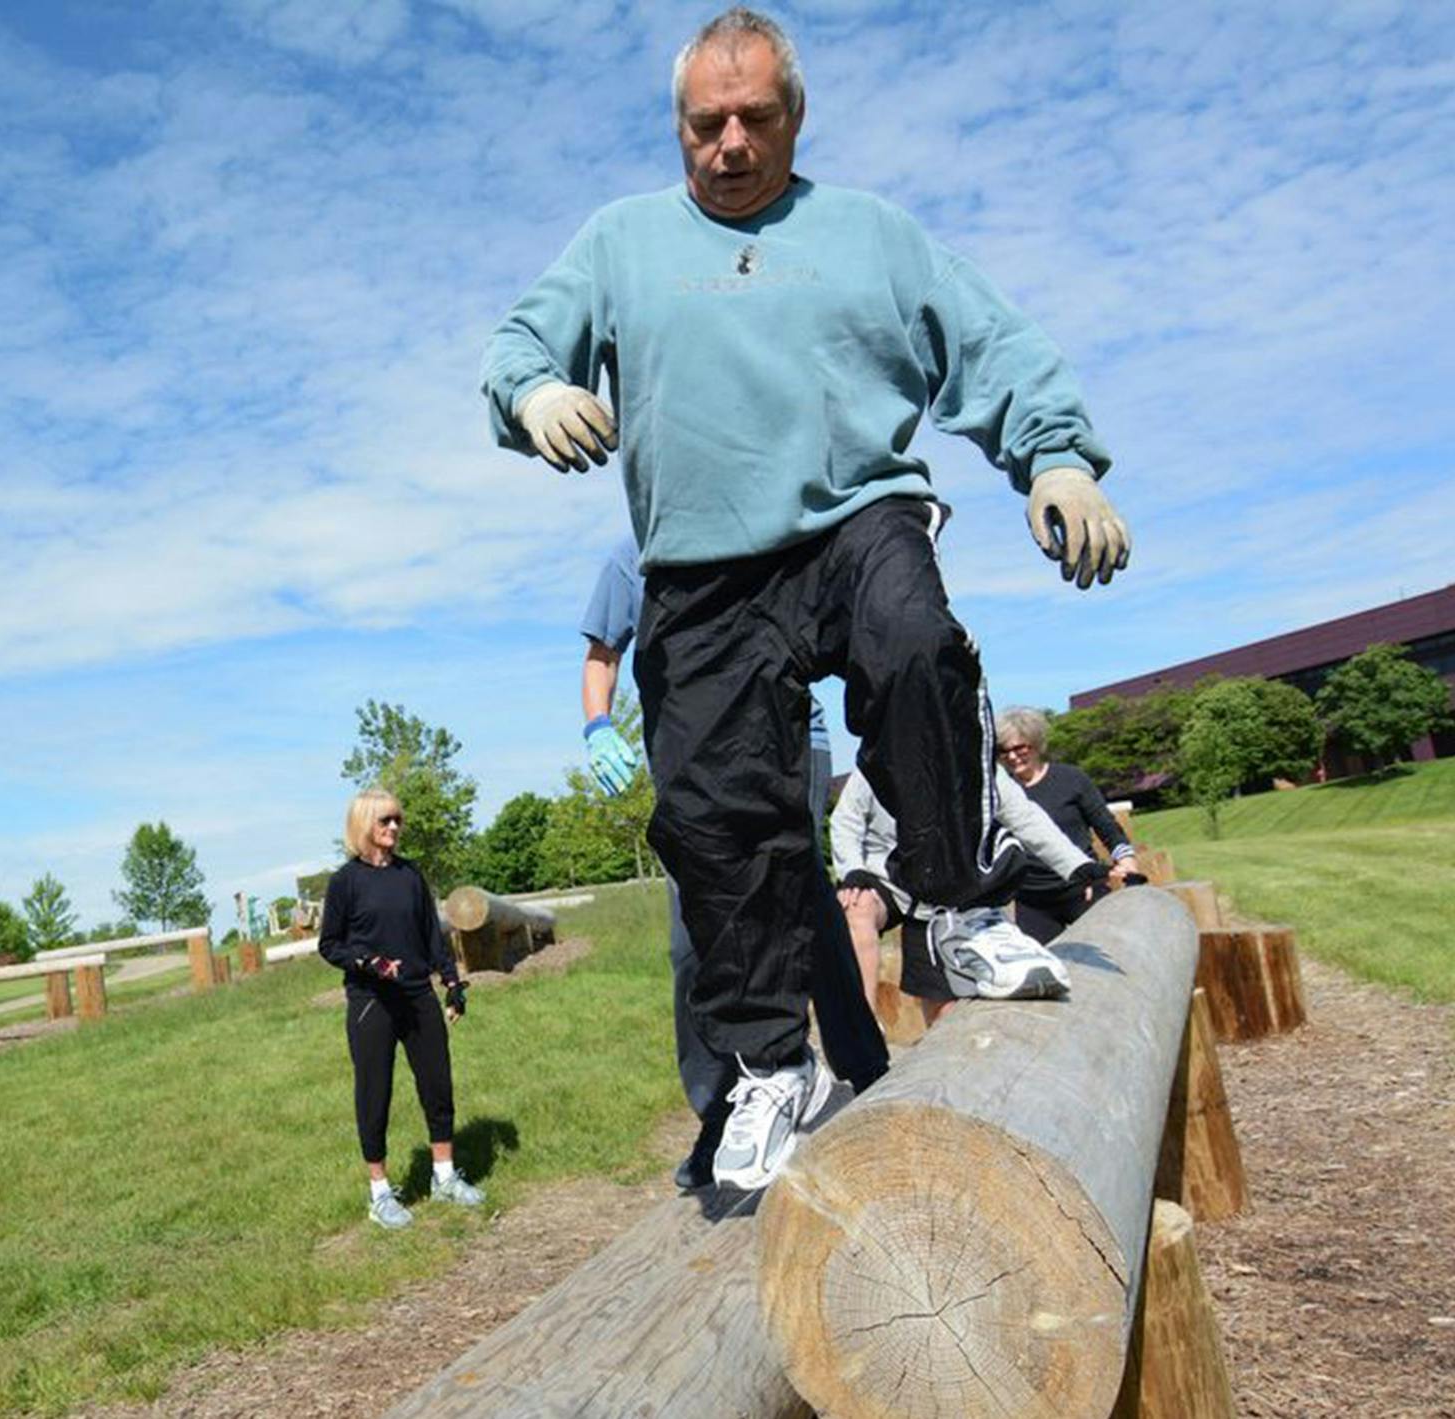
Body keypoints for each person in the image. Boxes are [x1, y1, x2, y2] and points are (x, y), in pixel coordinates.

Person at [482, 7, 1130, 1190]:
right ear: (677, 126)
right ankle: (773, 1065)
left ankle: (955, 914)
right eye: (704, 124)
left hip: (853, 520)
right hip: (700, 569)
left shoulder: (870, 235)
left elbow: (985, 343)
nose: (728, 144)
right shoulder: (621, 241)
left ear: (795, 117)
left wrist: (1057, 457)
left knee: (917, 645)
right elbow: (521, 342)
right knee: (717, 817)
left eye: (755, 119)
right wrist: (531, 396)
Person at [581, 537, 886, 1190]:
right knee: (694, 937)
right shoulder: (629, 556)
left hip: (787, 737)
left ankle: (863, 1068)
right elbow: (601, 655)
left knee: (798, 899)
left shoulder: (751, 520)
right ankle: (720, 1109)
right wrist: (597, 725)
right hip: (690, 758)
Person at [317, 788, 482, 1228]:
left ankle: (444, 1177)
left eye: (397, 820)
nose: (393, 827)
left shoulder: (410, 876)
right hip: (372, 1003)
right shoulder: (345, 882)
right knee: (375, 1094)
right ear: (364, 825)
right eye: (384, 820)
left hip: (416, 997)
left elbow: (433, 936)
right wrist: (367, 962)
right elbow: (329, 944)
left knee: (437, 1084)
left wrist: (452, 983)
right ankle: (380, 1194)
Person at [832, 765, 1107, 1022]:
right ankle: (863, 1022)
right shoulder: (877, 757)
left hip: (947, 884)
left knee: (945, 1007)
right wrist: (852, 870)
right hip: (886, 875)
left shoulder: (978, 755)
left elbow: (1023, 816)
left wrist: (1075, 864)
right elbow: (846, 820)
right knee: (856, 905)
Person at [994, 706, 1142, 943]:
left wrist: (1126, 860)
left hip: (1082, 889)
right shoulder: (999, 797)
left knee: (1110, 950)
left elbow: (1106, 827)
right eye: (1003, 751)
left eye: (1020, 748)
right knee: (1046, 971)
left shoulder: (1071, 779)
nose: (1012, 757)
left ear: (1036, 744)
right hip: (1033, 900)